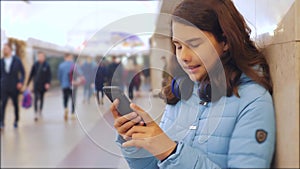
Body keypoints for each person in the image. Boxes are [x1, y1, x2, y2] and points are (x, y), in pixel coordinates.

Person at [110, 0, 275, 168]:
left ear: (225, 41)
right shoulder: (183, 94)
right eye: (178, 46)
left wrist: (171, 152)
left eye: (194, 44)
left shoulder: (253, 101)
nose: (183, 57)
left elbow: (169, 154)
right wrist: (140, 142)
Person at [0, 43, 25, 129]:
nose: (4, 50)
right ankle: (1, 123)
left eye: (6, 48)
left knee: (15, 105)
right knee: (3, 104)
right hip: (4, 86)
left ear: (10, 49)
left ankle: (16, 121)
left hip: (14, 86)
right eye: (4, 48)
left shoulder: (17, 60)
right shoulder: (1, 61)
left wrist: (21, 82)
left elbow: (23, 73)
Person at [26, 51, 52, 121]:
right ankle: (35, 112)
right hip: (36, 85)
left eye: (42, 56)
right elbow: (31, 75)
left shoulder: (47, 65)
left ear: (44, 57)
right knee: (36, 97)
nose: (40, 57)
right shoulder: (35, 65)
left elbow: (49, 75)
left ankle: (40, 109)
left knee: (42, 97)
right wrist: (27, 84)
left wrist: (48, 83)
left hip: (43, 85)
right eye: (39, 56)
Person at [58, 53, 77, 121]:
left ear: (65, 58)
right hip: (73, 85)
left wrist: (62, 83)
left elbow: (59, 76)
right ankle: (72, 113)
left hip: (64, 85)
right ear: (70, 57)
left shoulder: (61, 66)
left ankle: (66, 108)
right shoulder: (74, 65)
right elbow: (77, 74)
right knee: (73, 99)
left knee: (65, 98)